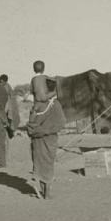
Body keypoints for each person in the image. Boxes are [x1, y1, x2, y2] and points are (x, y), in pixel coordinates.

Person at [26, 60, 66, 200]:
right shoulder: (54, 105)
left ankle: (44, 190)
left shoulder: (35, 108)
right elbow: (61, 123)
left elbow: (30, 126)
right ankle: (46, 193)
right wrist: (47, 129)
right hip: (50, 139)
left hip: (38, 139)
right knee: (48, 163)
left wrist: (38, 130)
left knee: (39, 161)